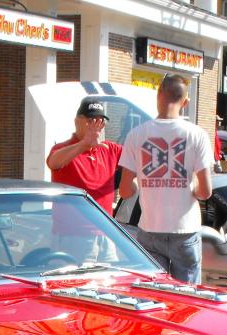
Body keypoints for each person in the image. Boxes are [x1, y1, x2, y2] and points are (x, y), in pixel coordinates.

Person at [117, 74, 214, 284]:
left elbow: (124, 191)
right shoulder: (197, 135)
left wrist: (139, 184)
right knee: (187, 301)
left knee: (156, 296)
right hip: (185, 230)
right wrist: (192, 187)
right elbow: (205, 192)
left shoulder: (136, 135)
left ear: (158, 94)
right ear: (185, 102)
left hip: (150, 229)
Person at [46, 96, 123, 261]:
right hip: (73, 237)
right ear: (77, 121)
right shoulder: (63, 149)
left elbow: (137, 157)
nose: (96, 126)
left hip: (107, 234)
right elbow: (53, 162)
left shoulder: (110, 150)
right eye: (91, 120)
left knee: (110, 285)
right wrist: (84, 144)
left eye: (100, 121)